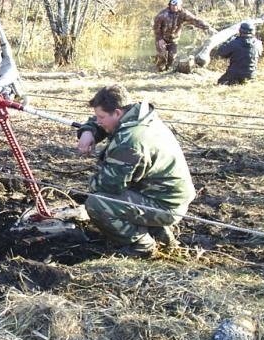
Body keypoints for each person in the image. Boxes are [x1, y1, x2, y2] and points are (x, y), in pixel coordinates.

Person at [76, 84, 196, 256]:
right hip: (166, 195)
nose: (98, 121)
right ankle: (159, 233)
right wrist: (89, 131)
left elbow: (108, 185)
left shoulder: (130, 141)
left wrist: (90, 183)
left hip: (166, 205)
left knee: (97, 203)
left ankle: (142, 245)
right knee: (122, 189)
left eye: (100, 117)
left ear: (117, 112)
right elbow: (106, 124)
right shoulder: (140, 116)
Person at [153, 0, 216, 72]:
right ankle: (159, 70)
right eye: (172, 5)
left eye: (176, 5)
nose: (174, 7)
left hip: (174, 39)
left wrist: (207, 27)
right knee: (162, 55)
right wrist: (160, 39)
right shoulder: (162, 15)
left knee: (172, 57)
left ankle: (167, 70)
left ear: (180, 6)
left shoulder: (183, 13)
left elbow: (195, 20)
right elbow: (156, 28)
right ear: (169, 5)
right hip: (162, 38)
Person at [215, 21, 263, 85]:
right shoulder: (258, 43)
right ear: (253, 32)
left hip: (234, 76)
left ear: (240, 31)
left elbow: (221, 52)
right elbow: (259, 54)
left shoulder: (234, 43)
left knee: (220, 82)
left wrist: (227, 41)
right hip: (251, 76)